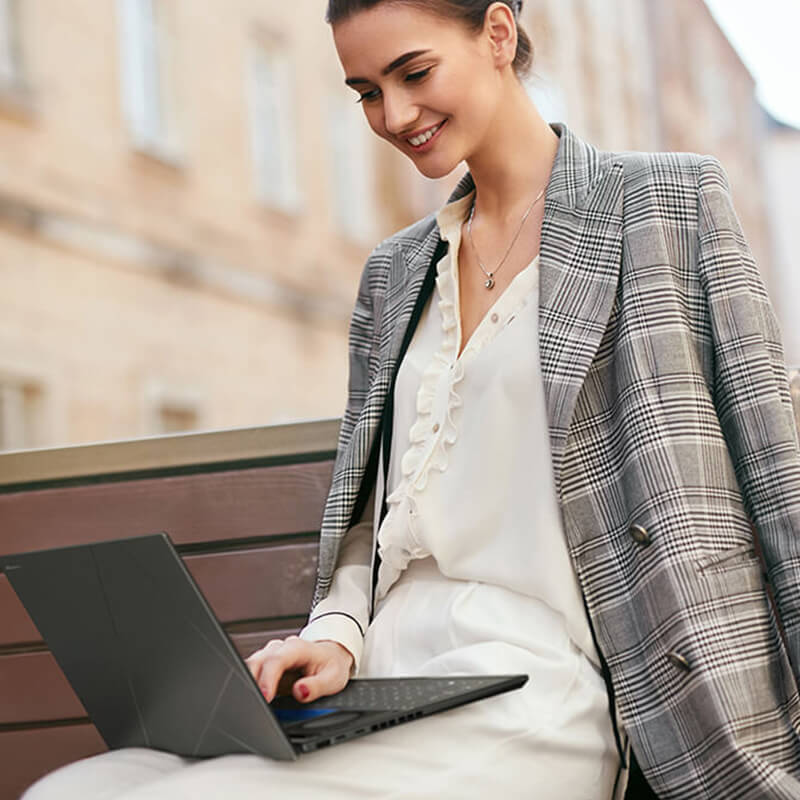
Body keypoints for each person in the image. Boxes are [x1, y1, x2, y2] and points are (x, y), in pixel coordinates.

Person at [22, 2, 800, 799]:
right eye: (365, 91)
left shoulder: (663, 203)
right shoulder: (394, 274)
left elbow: (778, 480)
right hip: (384, 679)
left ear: (498, 34)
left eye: (415, 73)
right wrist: (335, 633)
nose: (393, 116)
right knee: (81, 788)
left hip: (540, 685)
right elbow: (370, 512)